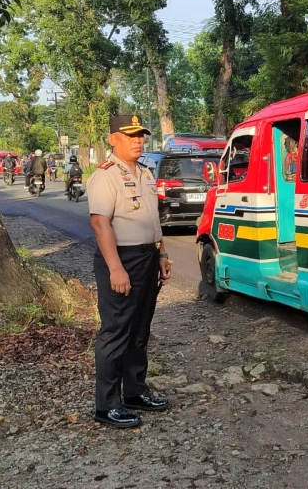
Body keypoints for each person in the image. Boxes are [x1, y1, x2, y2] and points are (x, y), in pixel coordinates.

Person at [87, 114, 171, 429]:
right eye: (130, 135)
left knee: (139, 330)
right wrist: (115, 268)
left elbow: (153, 219)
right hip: (121, 259)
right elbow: (99, 223)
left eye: (141, 135)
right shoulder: (105, 175)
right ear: (113, 139)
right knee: (116, 332)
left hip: (148, 258)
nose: (138, 140)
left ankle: (135, 392)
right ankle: (107, 405)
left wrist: (161, 253)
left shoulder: (145, 173)